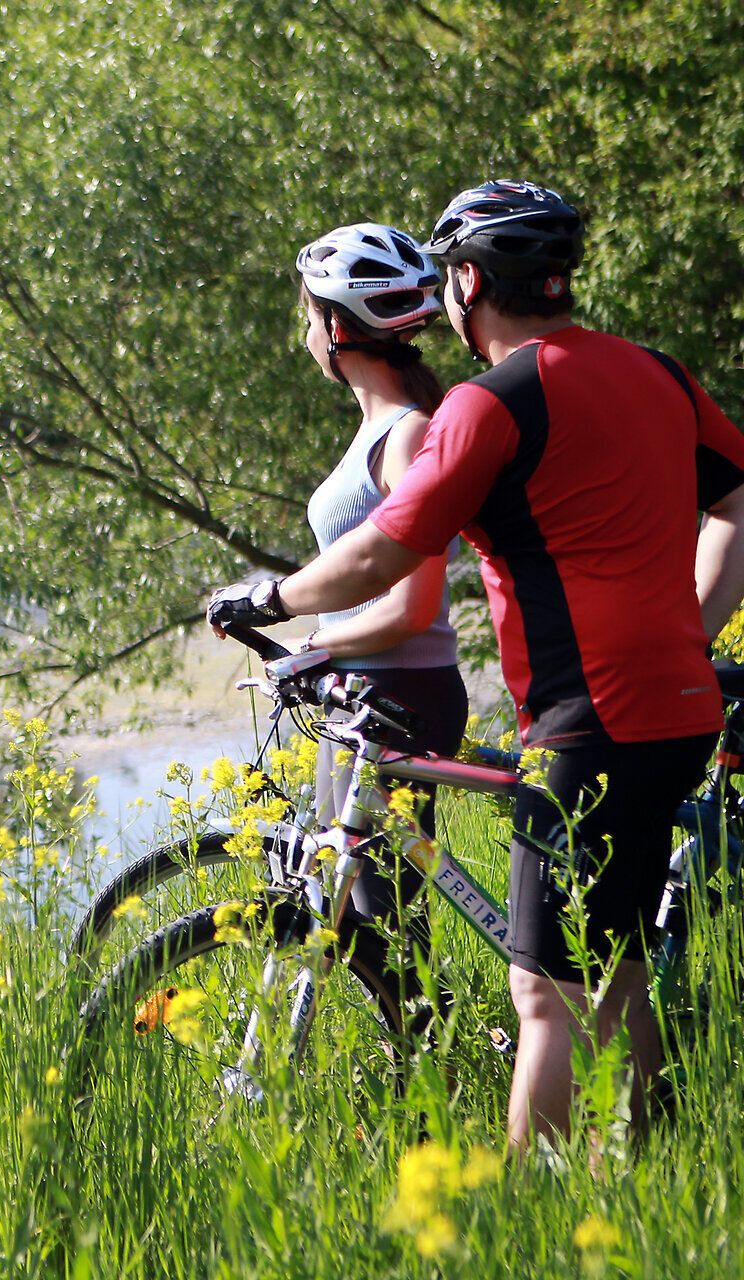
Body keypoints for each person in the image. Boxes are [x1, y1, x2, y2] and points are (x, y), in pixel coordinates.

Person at [208, 180, 744, 1152]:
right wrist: (691, 630)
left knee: (544, 994)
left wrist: (271, 600)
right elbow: (738, 503)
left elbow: (382, 553)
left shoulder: (491, 402)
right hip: (679, 710)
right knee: (618, 969)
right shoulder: (660, 374)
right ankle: (635, 1172)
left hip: (586, 722)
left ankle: (531, 1210)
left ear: (466, 283)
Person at [293, 223, 467, 1011]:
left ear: (337, 326)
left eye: (307, 316)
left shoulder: (408, 433)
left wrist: (314, 641)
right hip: (362, 690)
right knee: (356, 913)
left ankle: (437, 1065)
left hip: (403, 692)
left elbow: (411, 607)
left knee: (385, 919)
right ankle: (423, 1060)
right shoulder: (378, 428)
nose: (305, 334)